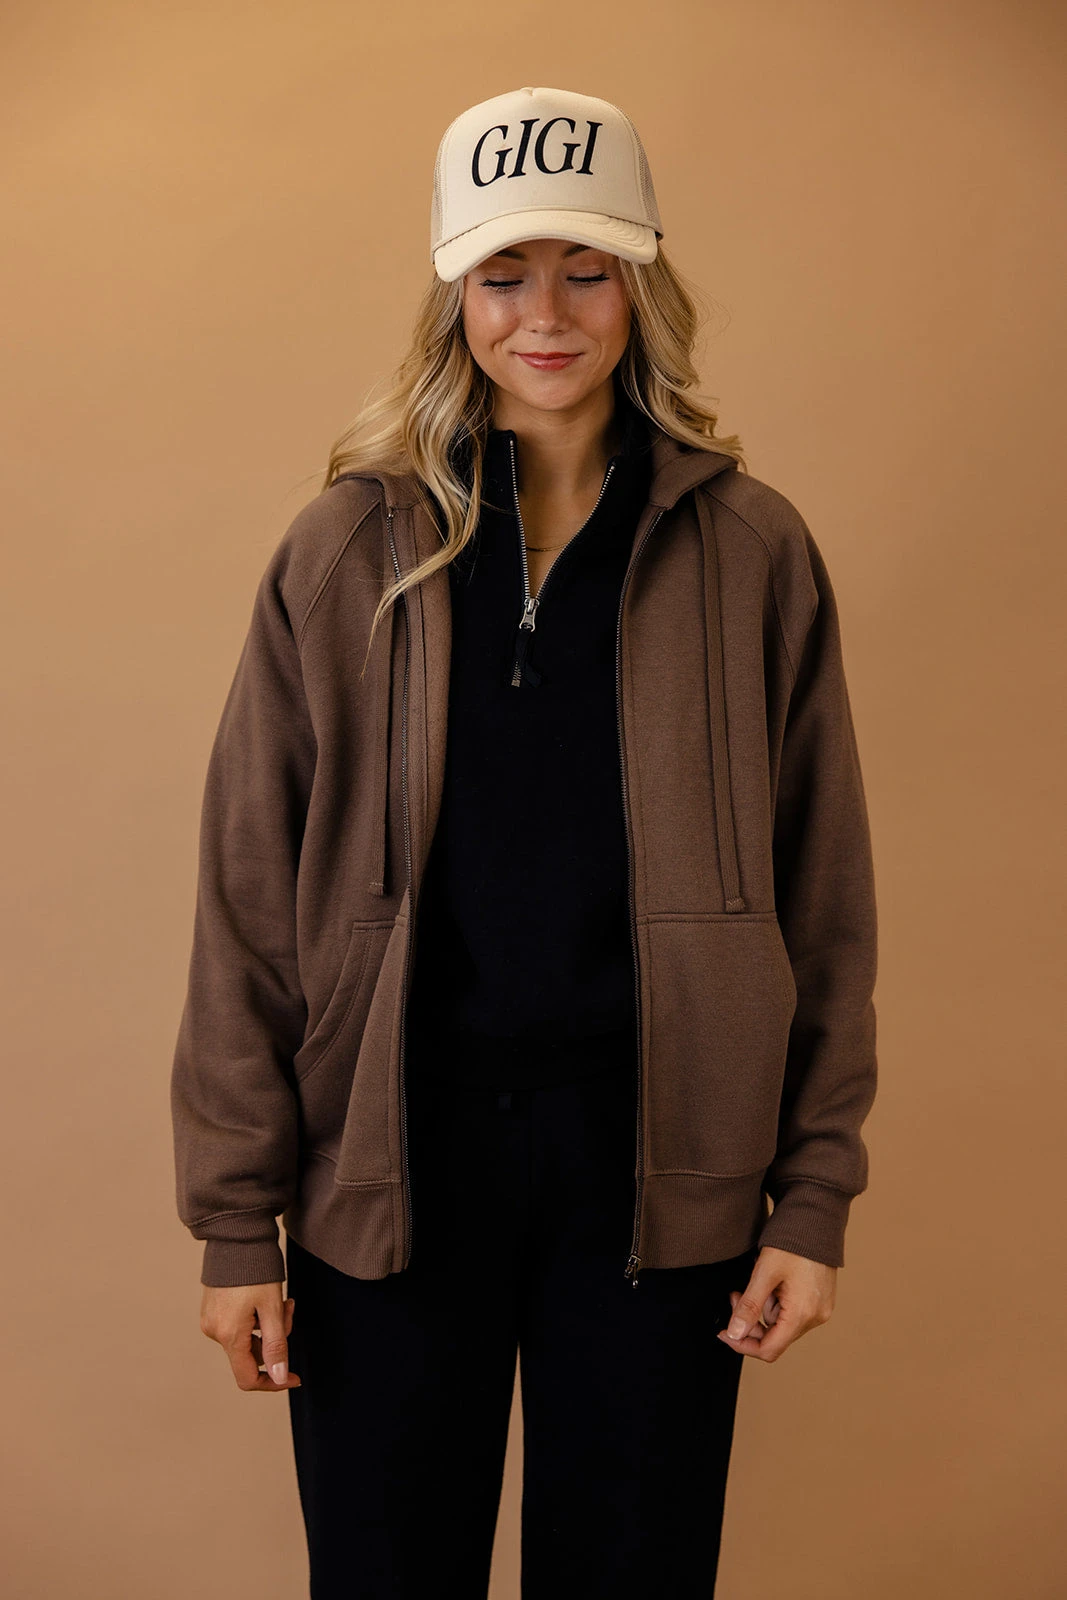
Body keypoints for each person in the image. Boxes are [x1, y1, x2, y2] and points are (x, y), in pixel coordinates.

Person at [170, 85, 879, 1599]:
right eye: (503, 275)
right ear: (453, 294)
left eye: (585, 270)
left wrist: (811, 1200)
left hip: (662, 1175)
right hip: (388, 1168)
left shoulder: (751, 548)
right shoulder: (342, 549)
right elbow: (246, 898)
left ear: (641, 285)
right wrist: (236, 1225)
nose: (545, 314)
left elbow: (823, 897)